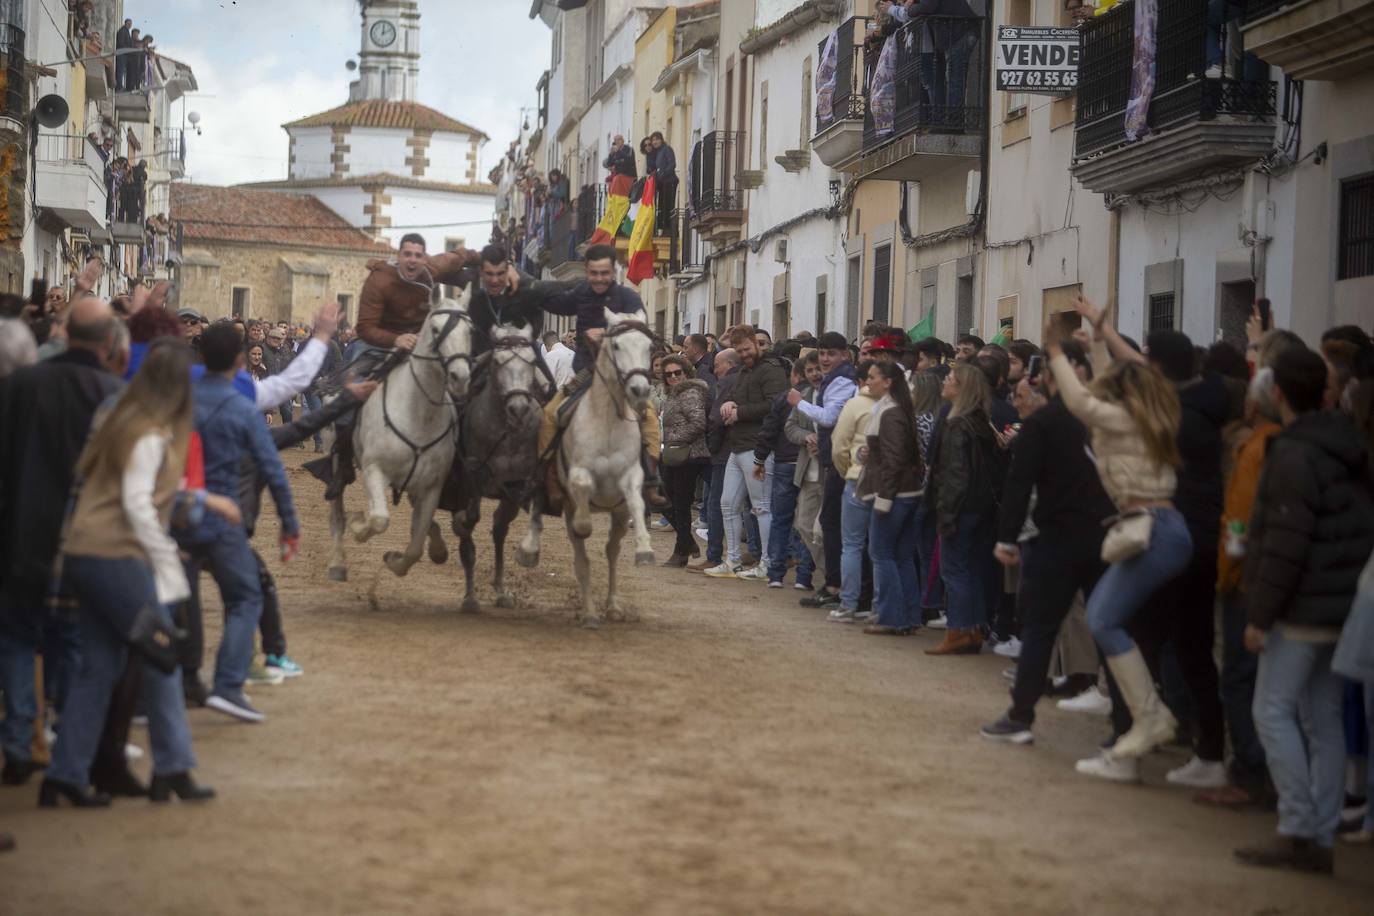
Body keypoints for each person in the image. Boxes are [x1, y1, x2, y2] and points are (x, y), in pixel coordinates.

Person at [39, 339, 222, 808]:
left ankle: (65, 775)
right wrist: (167, 562)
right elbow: (139, 506)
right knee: (161, 659)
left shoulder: (120, 420)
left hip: (85, 552)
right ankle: (173, 767)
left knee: (97, 668)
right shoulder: (151, 434)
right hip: (118, 556)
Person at [1233, 347, 1374, 874]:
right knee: (1324, 720)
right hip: (1338, 603)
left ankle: (1297, 827)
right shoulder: (1348, 444)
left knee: (1271, 711)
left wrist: (1260, 616)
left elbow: (1287, 545)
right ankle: (1319, 833)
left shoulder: (1293, 454)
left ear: (1278, 394)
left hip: (1301, 606)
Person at [1046, 310, 1193, 782]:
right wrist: (1103, 337)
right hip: (1159, 530)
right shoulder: (1160, 409)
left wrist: (1054, 351)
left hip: (1152, 530)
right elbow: (1133, 376)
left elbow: (1082, 404)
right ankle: (1131, 743)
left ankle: (1150, 718)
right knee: (1129, 629)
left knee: (1104, 618)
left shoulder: (1127, 418)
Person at [0, 295, 120, 788]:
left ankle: (18, 739)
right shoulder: (111, 394)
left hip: (20, 529)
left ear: (66, 333)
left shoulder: (20, 384)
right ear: (109, 342)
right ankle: (64, 737)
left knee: (17, 637)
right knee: (69, 639)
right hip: (81, 535)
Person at [980, 342, 1116, 743]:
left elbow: (1019, 484)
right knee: (1107, 627)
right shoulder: (1105, 418)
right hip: (1104, 534)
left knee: (1039, 629)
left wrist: (1006, 538)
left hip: (1056, 538)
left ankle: (1021, 717)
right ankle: (1122, 726)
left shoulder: (1043, 423)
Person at [176, 324, 299, 723]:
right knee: (245, 598)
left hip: (176, 517)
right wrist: (289, 523)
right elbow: (273, 471)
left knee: (173, 601)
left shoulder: (177, 402)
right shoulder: (242, 409)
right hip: (223, 519)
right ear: (241, 363)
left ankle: (158, 690)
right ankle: (228, 684)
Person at [536, 245, 667, 511]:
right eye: (593, 273)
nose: (598, 278)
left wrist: (606, 333)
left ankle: (651, 482)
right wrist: (529, 289)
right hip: (586, 371)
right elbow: (554, 303)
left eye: (604, 273)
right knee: (550, 415)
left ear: (613, 272)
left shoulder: (629, 298)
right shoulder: (581, 293)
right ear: (587, 272)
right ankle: (548, 478)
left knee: (650, 419)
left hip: (621, 377)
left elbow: (637, 330)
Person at [927, 362, 999, 655]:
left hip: (961, 507)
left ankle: (958, 629)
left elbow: (955, 474)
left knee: (954, 570)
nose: (945, 381)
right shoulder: (980, 421)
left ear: (962, 388)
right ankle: (973, 628)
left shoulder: (957, 424)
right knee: (969, 569)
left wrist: (946, 514)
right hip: (980, 507)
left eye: (951, 379)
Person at [705, 326, 788, 580]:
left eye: (747, 349)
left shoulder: (771, 370)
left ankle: (767, 563)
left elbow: (776, 405)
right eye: (740, 351)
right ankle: (733, 560)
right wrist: (731, 404)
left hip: (758, 447)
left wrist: (739, 412)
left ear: (756, 343)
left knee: (761, 507)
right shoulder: (743, 371)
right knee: (727, 503)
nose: (745, 354)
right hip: (738, 445)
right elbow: (738, 398)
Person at [791, 332, 857, 609]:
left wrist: (799, 402)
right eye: (823, 354)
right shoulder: (829, 382)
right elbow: (790, 426)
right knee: (817, 525)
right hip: (825, 462)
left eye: (831, 354)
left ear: (844, 355)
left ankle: (837, 585)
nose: (826, 359)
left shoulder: (842, 380)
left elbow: (830, 418)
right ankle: (833, 581)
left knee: (831, 526)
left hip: (839, 465)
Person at [858, 361, 924, 635]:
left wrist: (884, 497)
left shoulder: (891, 412)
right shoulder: (895, 410)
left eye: (872, 377)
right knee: (901, 556)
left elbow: (894, 461)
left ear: (887, 382)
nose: (867, 382)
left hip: (894, 494)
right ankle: (908, 615)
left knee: (882, 554)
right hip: (906, 492)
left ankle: (892, 617)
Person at [825, 360, 879, 622]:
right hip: (886, 484)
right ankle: (877, 606)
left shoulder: (856, 404)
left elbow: (838, 446)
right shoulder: (897, 404)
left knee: (853, 545)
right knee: (880, 549)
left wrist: (848, 471)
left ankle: (849, 603)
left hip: (857, 480)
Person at [755, 358, 811, 588]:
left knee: (781, 519)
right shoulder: (820, 397)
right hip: (809, 464)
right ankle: (804, 576)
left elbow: (769, 429)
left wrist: (759, 458)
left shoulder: (784, 397)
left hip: (784, 463)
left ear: (795, 375)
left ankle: (776, 573)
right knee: (806, 522)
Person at [688, 349, 741, 572]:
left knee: (718, 504)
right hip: (737, 449)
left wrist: (712, 447)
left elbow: (716, 419)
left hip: (724, 452)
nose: (714, 370)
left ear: (728, 364)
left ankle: (714, 555)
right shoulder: (742, 379)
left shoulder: (727, 382)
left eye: (717, 365)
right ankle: (750, 554)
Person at [659, 354, 709, 566]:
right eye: (668, 374)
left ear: (687, 372)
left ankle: (682, 550)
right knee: (666, 498)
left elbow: (698, 423)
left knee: (679, 502)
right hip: (675, 453)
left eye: (677, 372)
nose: (673, 377)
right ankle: (687, 543)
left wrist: (674, 440)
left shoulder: (689, 392)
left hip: (689, 454)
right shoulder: (673, 394)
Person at [785, 351, 826, 591]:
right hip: (807, 471)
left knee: (823, 530)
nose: (814, 374)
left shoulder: (835, 394)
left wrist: (824, 442)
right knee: (803, 525)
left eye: (817, 368)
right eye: (809, 370)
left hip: (829, 472)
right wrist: (806, 436)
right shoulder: (805, 395)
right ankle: (830, 575)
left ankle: (834, 580)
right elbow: (790, 427)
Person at [649, 131, 678, 233]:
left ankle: (669, 228)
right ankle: (663, 227)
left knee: (668, 205)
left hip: (669, 182)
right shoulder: (657, 152)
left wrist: (663, 174)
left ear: (661, 140)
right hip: (662, 183)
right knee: (662, 206)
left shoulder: (667, 149)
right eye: (653, 140)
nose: (655, 142)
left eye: (657, 139)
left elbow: (672, 164)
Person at [115, 18, 133, 90]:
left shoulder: (127, 31)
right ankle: (119, 86)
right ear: (125, 23)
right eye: (129, 23)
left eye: (131, 24)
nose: (130, 25)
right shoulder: (123, 31)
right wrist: (128, 48)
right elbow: (120, 43)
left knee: (121, 71)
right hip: (121, 53)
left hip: (124, 54)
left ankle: (119, 85)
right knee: (120, 70)